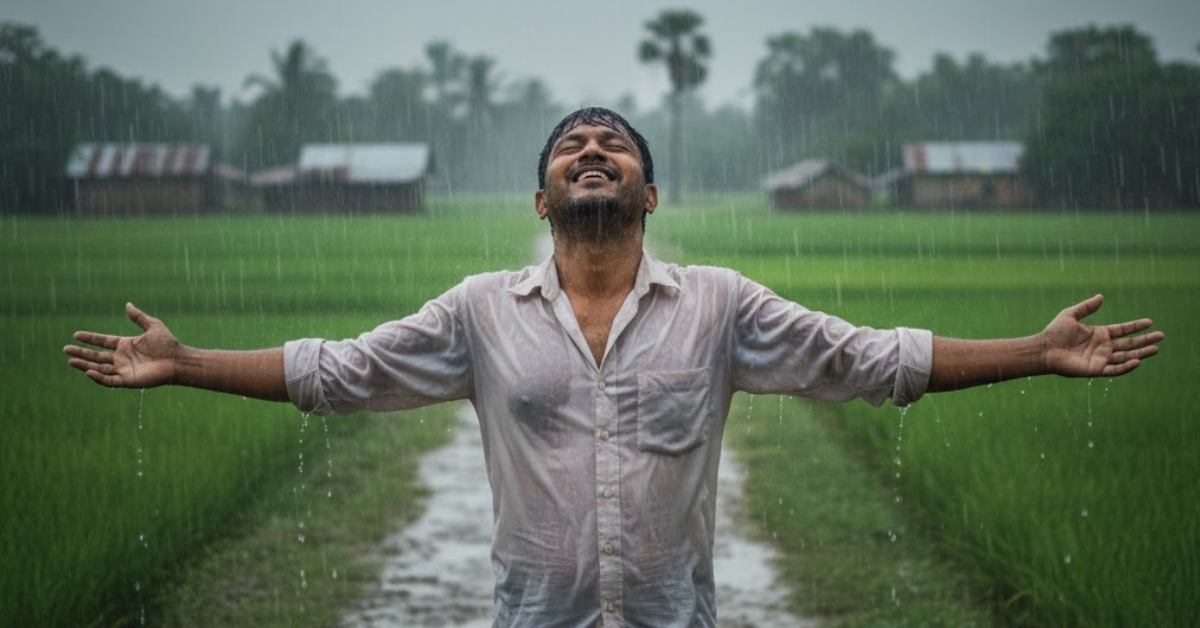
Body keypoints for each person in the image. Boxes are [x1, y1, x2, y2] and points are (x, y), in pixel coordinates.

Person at [65, 106, 1162, 628]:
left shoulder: (722, 305)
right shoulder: (481, 312)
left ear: (648, 195)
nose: (594, 147)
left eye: (617, 144)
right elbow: (335, 372)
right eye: (570, 145)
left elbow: (871, 359)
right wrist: (190, 360)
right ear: (542, 199)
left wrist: (1037, 350)